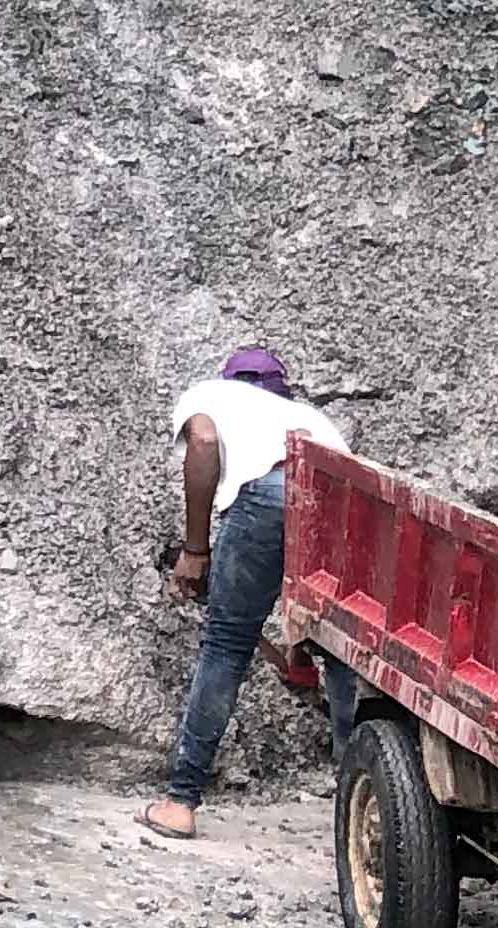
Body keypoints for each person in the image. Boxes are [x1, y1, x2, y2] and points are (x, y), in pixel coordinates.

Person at [142, 345, 350, 841]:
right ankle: (353, 800)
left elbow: (206, 440)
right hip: (336, 502)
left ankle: (181, 801)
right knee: (342, 653)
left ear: (231, 379)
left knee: (225, 648)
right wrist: (298, 650)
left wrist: (195, 550)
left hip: (264, 495)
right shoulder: (312, 418)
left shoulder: (213, 395)